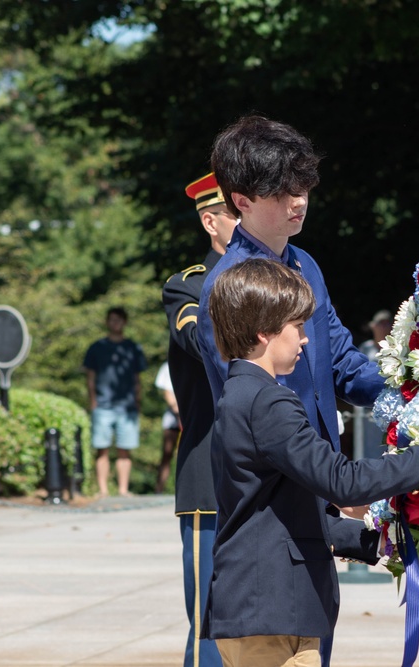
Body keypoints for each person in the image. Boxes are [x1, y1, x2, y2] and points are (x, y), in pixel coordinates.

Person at [201, 258, 419, 667]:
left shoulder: (238, 394)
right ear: (263, 332)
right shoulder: (268, 400)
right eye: (298, 327)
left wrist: (372, 541)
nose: (305, 341)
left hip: (257, 608)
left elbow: (274, 513)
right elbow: (343, 483)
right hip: (272, 614)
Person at [196, 115, 387, 666]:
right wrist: (337, 479)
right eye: (282, 191)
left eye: (303, 187)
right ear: (241, 199)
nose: (298, 201)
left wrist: (414, 390)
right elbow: (252, 401)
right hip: (281, 490)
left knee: (311, 643)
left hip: (319, 488)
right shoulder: (230, 289)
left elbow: (346, 366)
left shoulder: (307, 267)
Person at [162, 171, 238, 667]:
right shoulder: (188, 287)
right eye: (238, 211)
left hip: (271, 477)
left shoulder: (288, 278)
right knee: (210, 625)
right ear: (212, 220)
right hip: (209, 478)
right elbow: (201, 343)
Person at [83, 306, 148, 498]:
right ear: (107, 322)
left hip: (127, 407)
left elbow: (138, 379)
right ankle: (103, 491)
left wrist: (137, 401)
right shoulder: (96, 347)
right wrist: (93, 401)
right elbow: (90, 377)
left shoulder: (133, 348)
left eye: (119, 319)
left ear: (124, 322)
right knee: (101, 449)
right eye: (112, 319)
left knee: (124, 450)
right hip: (103, 405)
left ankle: (123, 489)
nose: (115, 323)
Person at [356, 309, 392, 459]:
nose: (383, 328)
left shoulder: (396, 349)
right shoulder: (365, 349)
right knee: (364, 446)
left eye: (386, 323)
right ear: (373, 326)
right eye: (380, 324)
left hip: (389, 408)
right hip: (365, 412)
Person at [154, 361, 180, 493]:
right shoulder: (167, 366)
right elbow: (167, 392)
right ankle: (159, 488)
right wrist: (177, 410)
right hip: (173, 417)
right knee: (167, 452)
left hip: (191, 416)